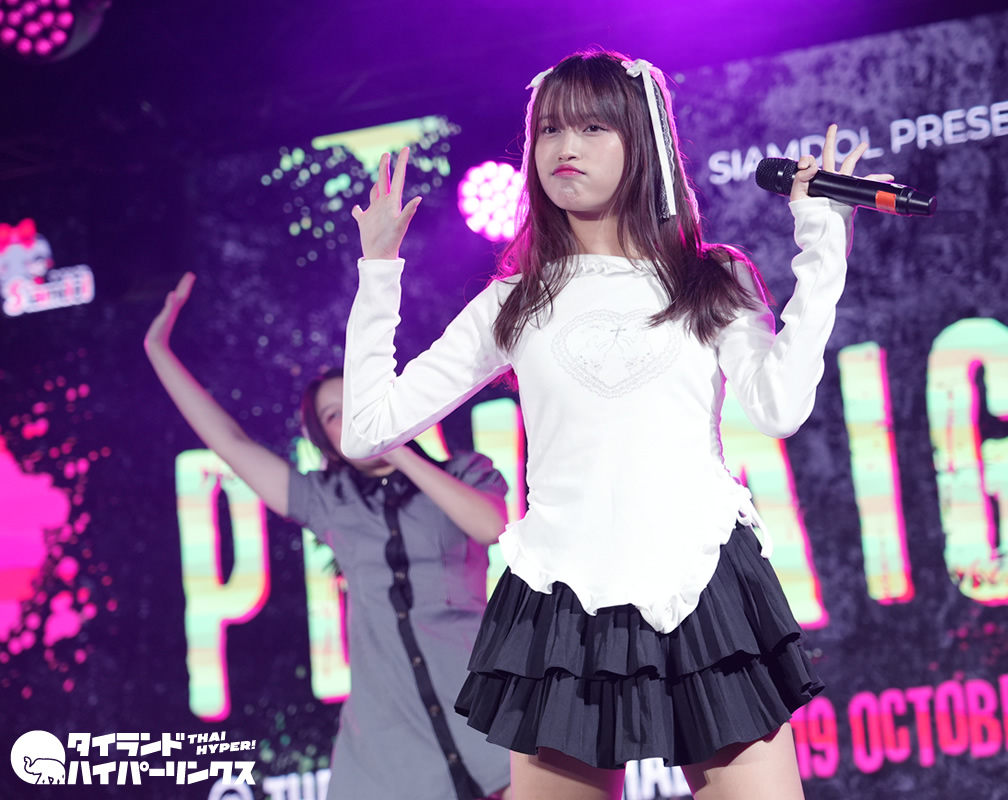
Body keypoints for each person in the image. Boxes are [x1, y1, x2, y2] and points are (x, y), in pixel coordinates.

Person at [340, 49, 894, 800]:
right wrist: (379, 271)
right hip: (561, 599)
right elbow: (366, 427)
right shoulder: (514, 300)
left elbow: (779, 406)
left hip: (701, 580)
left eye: (592, 127)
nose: (564, 148)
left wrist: (823, 251)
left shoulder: (709, 276)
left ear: (644, 142)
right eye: (550, 130)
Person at [143, 273, 513, 800]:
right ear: (325, 440)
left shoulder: (463, 472)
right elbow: (231, 442)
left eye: (360, 402)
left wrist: (395, 444)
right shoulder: (328, 500)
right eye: (336, 415)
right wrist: (158, 351)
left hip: (485, 709)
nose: (352, 419)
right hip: (390, 745)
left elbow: (492, 526)